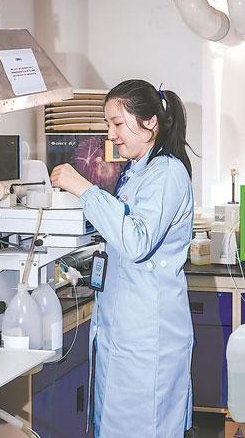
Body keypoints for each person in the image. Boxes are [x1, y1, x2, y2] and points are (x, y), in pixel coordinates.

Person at [50, 80, 195, 437]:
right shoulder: (136, 172)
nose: (110, 134)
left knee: (146, 426)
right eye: (108, 124)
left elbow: (136, 241)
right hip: (125, 330)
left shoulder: (167, 173)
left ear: (150, 122)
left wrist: (84, 189)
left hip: (149, 337)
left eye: (117, 123)